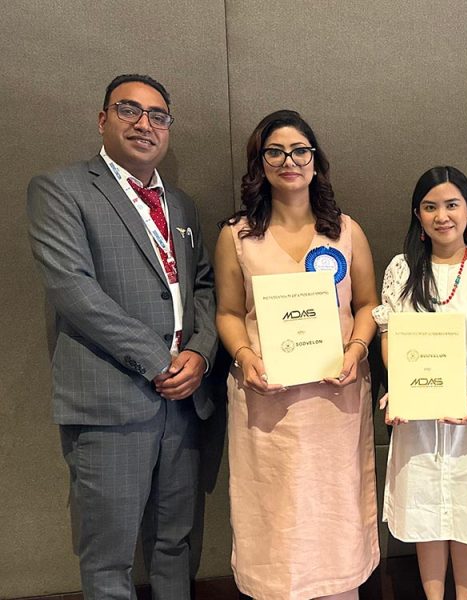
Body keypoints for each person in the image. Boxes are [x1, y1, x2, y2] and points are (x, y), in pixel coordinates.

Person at [27, 74, 217, 599]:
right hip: (110, 403)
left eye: (158, 116)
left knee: (175, 545)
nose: (144, 124)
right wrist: (159, 360)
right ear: (102, 119)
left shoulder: (181, 205)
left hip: (184, 404)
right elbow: (73, 289)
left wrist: (200, 353)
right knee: (108, 557)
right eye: (129, 110)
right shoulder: (61, 190)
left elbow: (203, 286)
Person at [215, 110, 379, 599]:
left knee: (334, 512)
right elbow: (228, 312)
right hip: (268, 403)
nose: (289, 161)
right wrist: (245, 356)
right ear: (259, 163)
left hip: (336, 402)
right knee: (277, 516)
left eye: (299, 150)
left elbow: (368, 305)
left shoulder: (346, 231)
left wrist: (356, 349)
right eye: (275, 151)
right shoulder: (237, 236)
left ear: (315, 159)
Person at [373, 166, 467, 600]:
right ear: (418, 215)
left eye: (452, 205)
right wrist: (401, 386)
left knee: (466, 509)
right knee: (425, 510)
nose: (442, 216)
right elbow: (389, 335)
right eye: (430, 207)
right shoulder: (402, 269)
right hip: (417, 410)